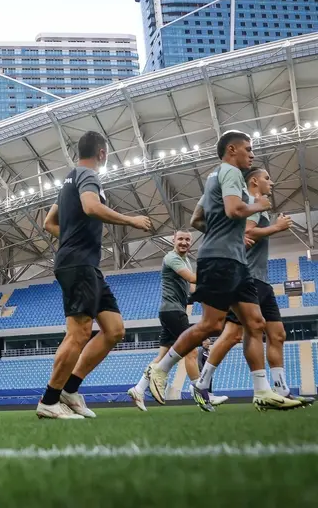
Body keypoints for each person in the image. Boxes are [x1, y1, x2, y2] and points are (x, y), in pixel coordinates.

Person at [146, 131, 301, 411]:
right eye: (248, 149)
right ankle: (160, 369)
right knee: (212, 325)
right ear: (232, 150)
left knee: (254, 324)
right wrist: (258, 206)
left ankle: (263, 391)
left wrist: (232, 233)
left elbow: (197, 219)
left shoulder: (213, 178)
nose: (252, 155)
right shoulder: (229, 172)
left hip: (235, 260)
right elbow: (233, 210)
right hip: (219, 259)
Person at [40, 131, 152, 420]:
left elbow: (48, 222)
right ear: (102, 153)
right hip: (78, 263)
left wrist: (70, 237)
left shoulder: (70, 178)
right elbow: (91, 207)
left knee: (114, 329)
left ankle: (70, 389)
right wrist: (131, 219)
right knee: (79, 333)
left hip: (86, 264)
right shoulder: (88, 176)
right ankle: (49, 400)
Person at [191, 167, 314, 410]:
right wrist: (275, 228)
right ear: (255, 181)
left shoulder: (255, 205)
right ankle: (202, 384)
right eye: (267, 178)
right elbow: (245, 233)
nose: (272, 182)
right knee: (233, 333)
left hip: (262, 280)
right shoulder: (249, 204)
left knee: (277, 334)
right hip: (246, 278)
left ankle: (281, 390)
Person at [127, 230, 201, 411]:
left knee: (161, 357)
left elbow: (192, 288)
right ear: (173, 241)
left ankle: (138, 389)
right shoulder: (172, 258)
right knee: (191, 352)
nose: (184, 242)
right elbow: (192, 278)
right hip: (173, 311)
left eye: (187, 240)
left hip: (171, 311)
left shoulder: (186, 261)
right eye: (180, 239)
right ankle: (202, 394)